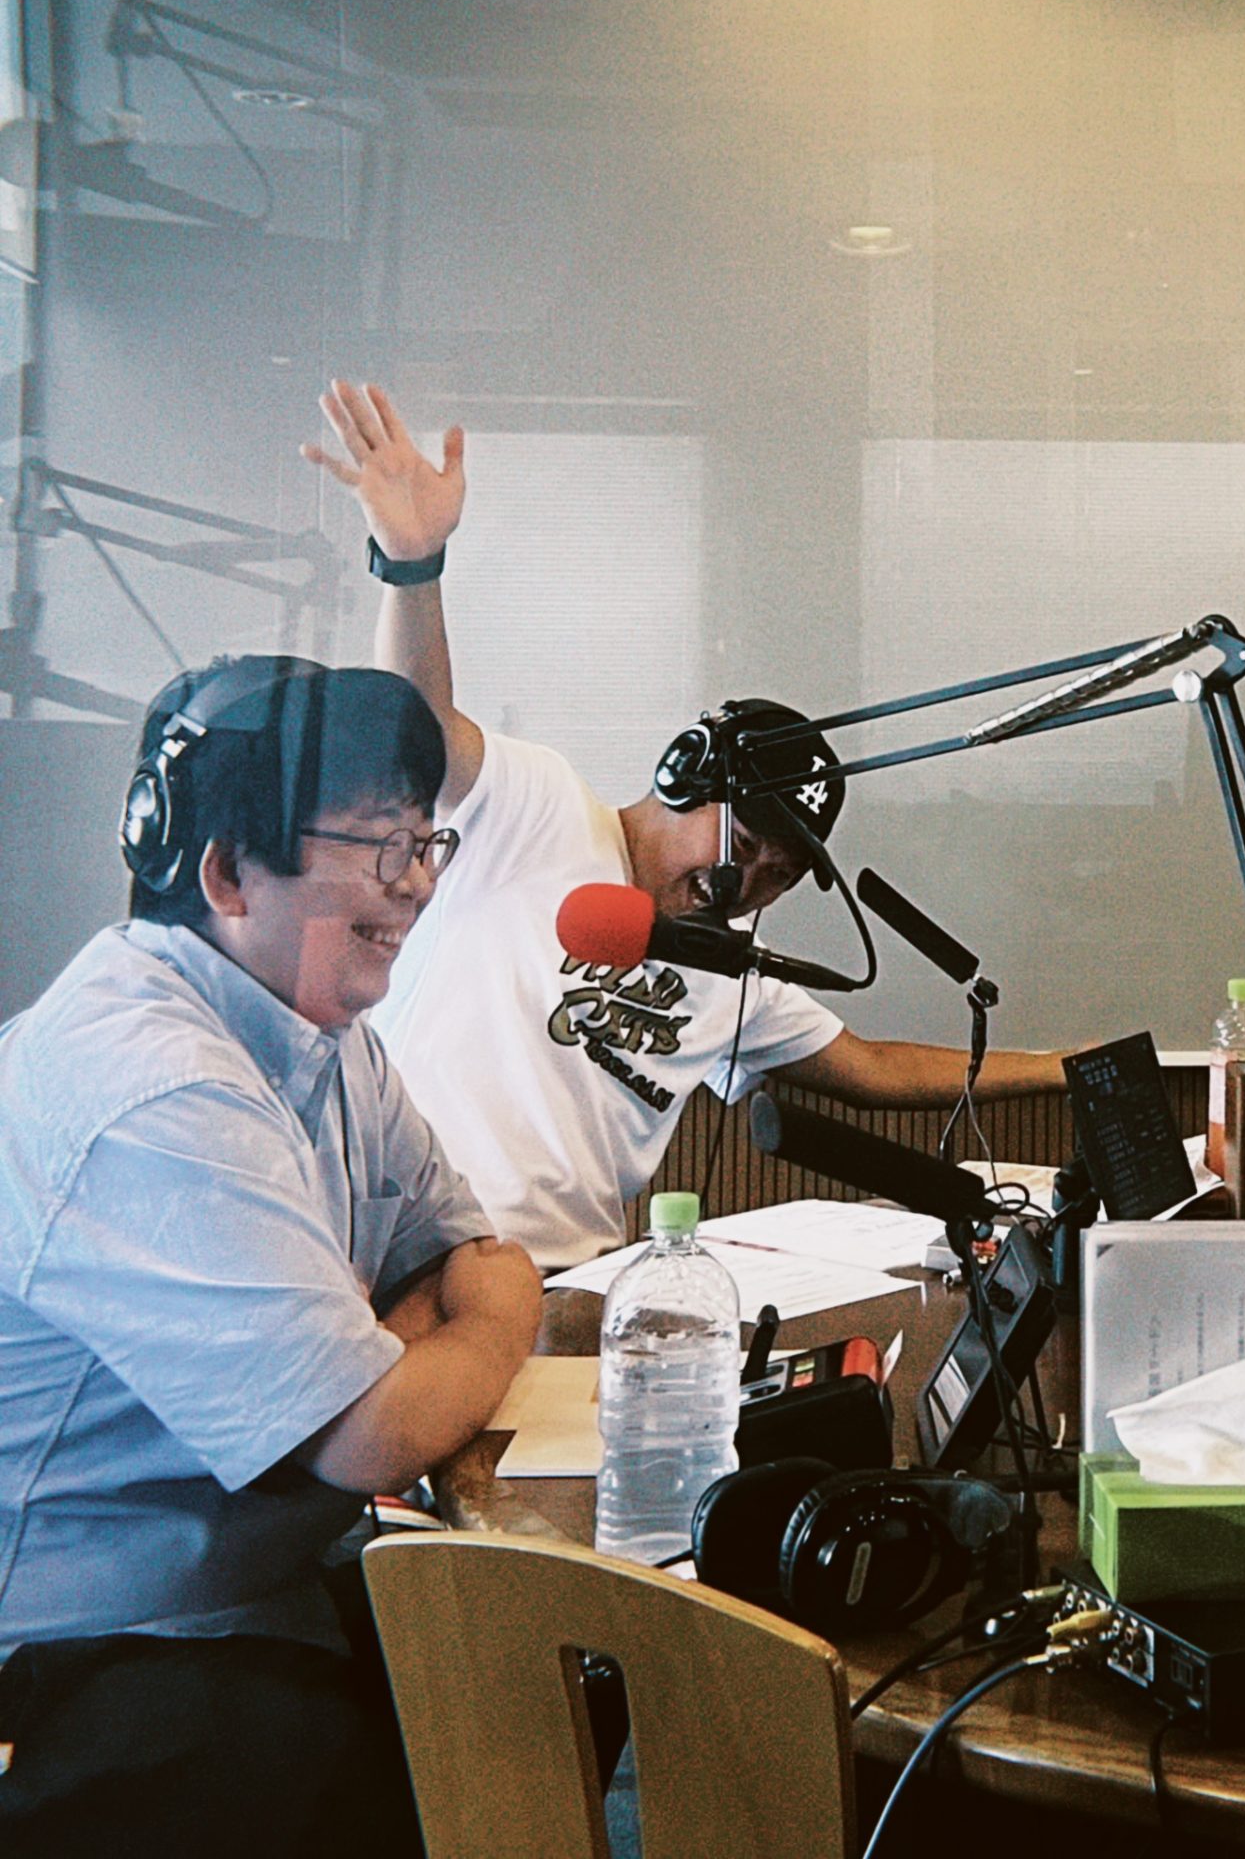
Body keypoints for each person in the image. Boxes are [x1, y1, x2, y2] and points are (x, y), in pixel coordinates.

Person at [304, 381, 1072, 1270]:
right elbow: (415, 728)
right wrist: (413, 566)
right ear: (681, 777)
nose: (745, 887)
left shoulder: (725, 964)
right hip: (400, 1250)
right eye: (742, 848)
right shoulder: (535, 806)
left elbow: (872, 1069)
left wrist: (1067, 1064)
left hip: (570, 1282)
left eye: (781, 874)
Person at [0, 655, 542, 1856]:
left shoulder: (322, 1028)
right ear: (227, 871)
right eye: (377, 844)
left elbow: (459, 1246)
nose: (416, 882)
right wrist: (486, 1322)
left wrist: (413, 1341)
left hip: (250, 1580)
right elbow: (374, 1433)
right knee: (414, 1767)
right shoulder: (150, 1080)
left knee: (534, 1678)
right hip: (82, 1640)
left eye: (423, 841)